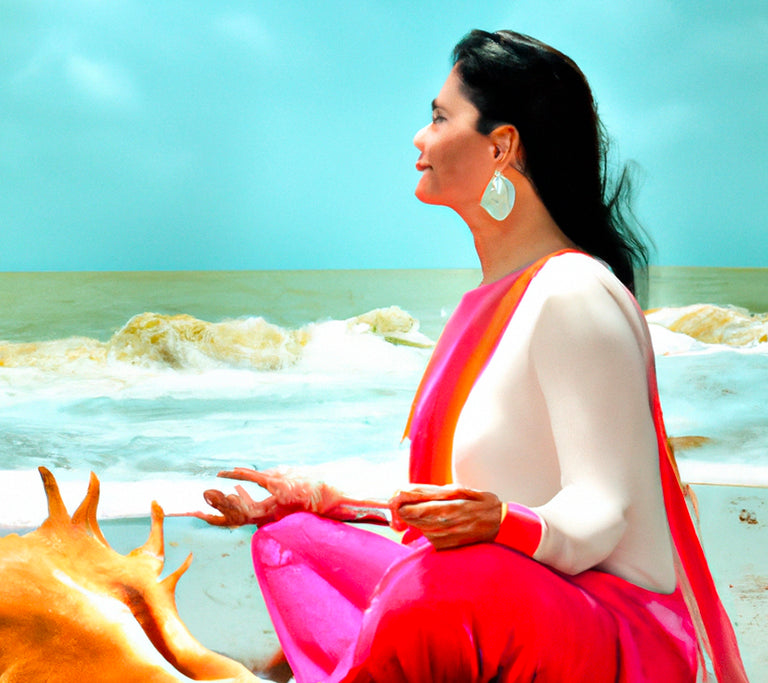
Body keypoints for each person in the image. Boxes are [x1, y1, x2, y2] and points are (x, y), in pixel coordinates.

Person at [192, 30, 748, 683]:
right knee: (294, 539)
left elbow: (601, 511)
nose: (418, 139)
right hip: (514, 592)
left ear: (501, 145)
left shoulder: (573, 292)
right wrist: (323, 498)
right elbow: (451, 506)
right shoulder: (487, 302)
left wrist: (501, 522)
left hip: (612, 629)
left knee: (443, 581)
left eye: (437, 117)